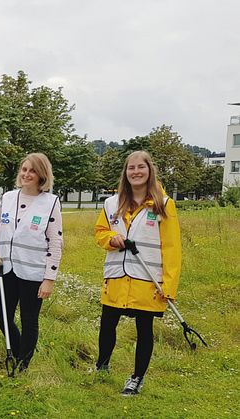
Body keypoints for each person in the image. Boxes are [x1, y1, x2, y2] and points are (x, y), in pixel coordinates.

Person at [94, 150, 181, 396]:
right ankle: (101, 365)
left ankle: (136, 378)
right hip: (116, 277)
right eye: (131, 168)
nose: (136, 172)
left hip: (148, 280)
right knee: (107, 324)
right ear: (126, 172)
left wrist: (169, 286)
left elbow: (172, 248)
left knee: (144, 330)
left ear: (149, 170)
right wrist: (112, 239)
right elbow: (100, 232)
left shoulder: (164, 205)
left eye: (140, 167)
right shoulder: (111, 203)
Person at [0, 153, 63, 372]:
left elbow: (55, 243)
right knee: (2, 317)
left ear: (42, 175)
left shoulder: (51, 203)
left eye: (32, 171)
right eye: (24, 169)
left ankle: (23, 363)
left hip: (33, 272)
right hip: (6, 270)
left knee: (29, 319)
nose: (27, 174)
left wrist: (49, 279)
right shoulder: (8, 198)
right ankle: (19, 349)